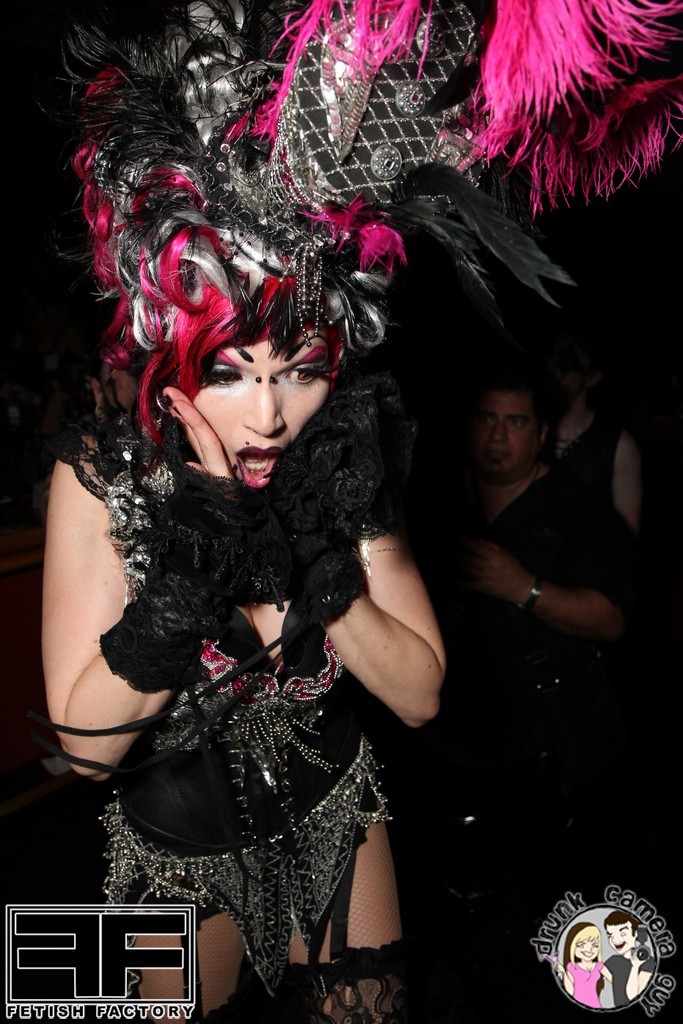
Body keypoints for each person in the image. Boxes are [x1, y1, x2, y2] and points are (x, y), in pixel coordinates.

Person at [35, 2, 683, 1020]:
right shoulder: (101, 475)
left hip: (338, 816)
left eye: (298, 371)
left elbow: (420, 693)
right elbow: (86, 750)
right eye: (230, 372)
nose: (268, 416)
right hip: (171, 846)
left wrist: (315, 561)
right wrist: (192, 568)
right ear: (171, 355)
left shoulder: (341, 462)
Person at [415, 358, 637, 924]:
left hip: (543, 747)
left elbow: (612, 619)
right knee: (458, 899)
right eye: (486, 418)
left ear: (541, 434)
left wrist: (524, 588)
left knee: (552, 894)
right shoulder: (434, 503)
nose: (497, 436)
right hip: (450, 740)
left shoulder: (579, 512)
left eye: (515, 422)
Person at [545, 325, 643, 536]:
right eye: (549, 356)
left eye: (566, 360)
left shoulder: (618, 445)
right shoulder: (529, 432)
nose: (553, 368)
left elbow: (626, 539)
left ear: (592, 377)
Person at [604, 911, 656, 1006]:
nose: (615, 940)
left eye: (623, 934)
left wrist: (635, 966)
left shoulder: (648, 962)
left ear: (635, 934)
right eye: (610, 935)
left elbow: (633, 997)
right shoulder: (613, 961)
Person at [557, 922, 612, 1009]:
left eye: (595, 945)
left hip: (595, 1005)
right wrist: (562, 972)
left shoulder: (599, 966)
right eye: (581, 945)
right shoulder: (572, 967)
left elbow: (614, 981)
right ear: (572, 946)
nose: (589, 949)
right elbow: (570, 991)